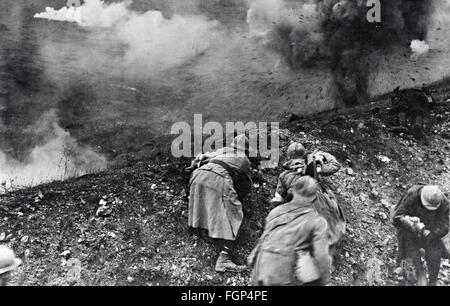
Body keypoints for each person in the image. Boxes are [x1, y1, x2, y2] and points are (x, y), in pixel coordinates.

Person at [188, 134, 255, 273]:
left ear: (233, 145)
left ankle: (203, 230)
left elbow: (199, 158)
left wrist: (193, 167)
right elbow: (246, 185)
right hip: (217, 178)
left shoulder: (222, 150)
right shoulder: (243, 159)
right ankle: (225, 258)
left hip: (197, 175)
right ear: (246, 150)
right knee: (234, 213)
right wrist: (239, 199)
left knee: (207, 203)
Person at [248, 176, 332, 286]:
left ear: (294, 191)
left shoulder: (276, 211)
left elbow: (263, 239)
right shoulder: (317, 222)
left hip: (260, 268)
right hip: (283, 273)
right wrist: (326, 281)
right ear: (314, 197)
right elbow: (321, 256)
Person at [270, 142, 345, 246]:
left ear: (288, 156)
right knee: (329, 197)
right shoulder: (314, 168)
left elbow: (278, 200)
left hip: (297, 210)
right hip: (317, 205)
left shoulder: (284, 175)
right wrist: (323, 155)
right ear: (304, 154)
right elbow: (336, 165)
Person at [392, 184, 450, 286]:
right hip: (410, 229)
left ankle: (433, 281)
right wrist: (411, 223)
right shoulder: (412, 195)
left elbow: (445, 226)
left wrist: (430, 234)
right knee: (409, 252)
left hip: (429, 230)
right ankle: (414, 271)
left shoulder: (443, 203)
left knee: (435, 253)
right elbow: (397, 217)